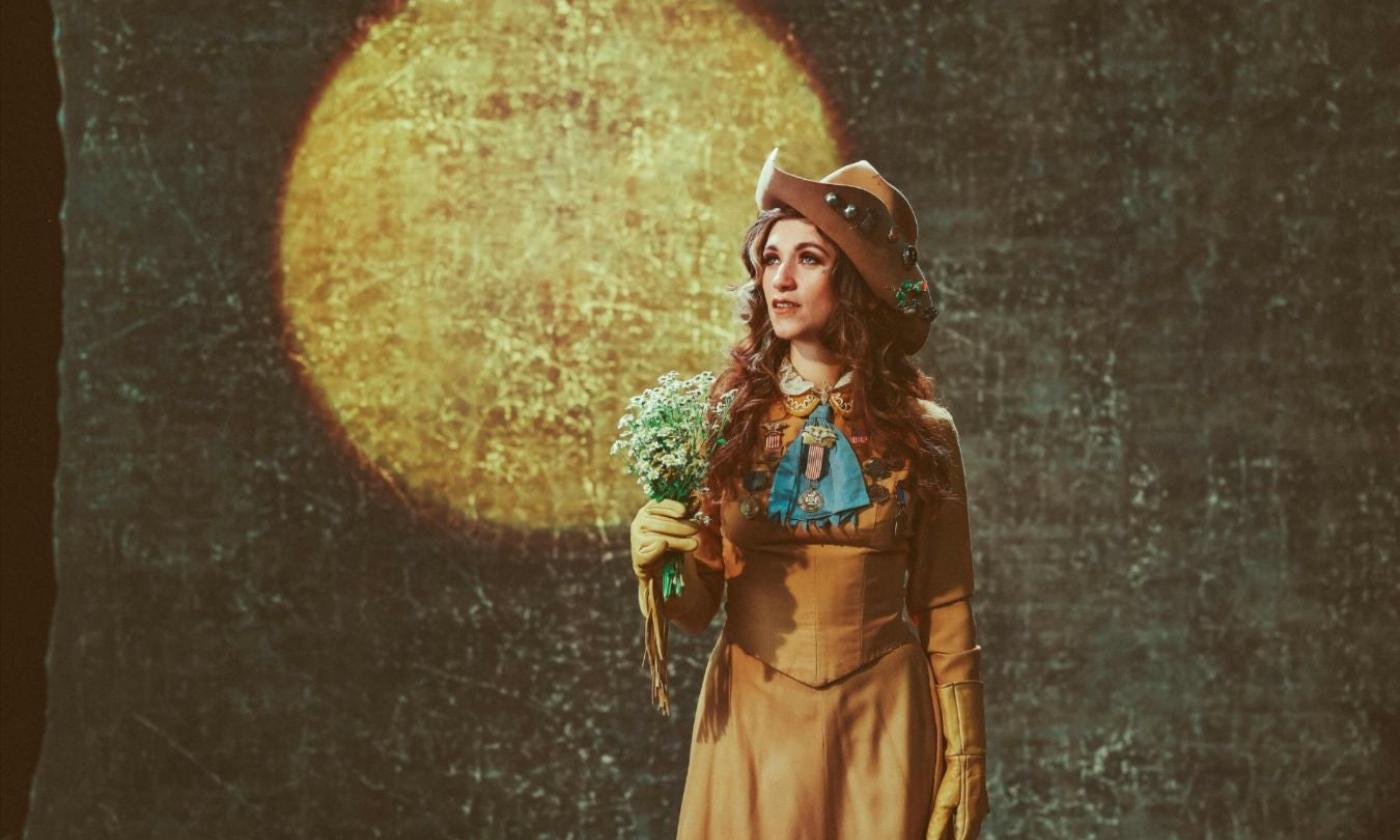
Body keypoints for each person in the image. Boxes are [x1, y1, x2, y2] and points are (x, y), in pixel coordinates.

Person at [629, 148, 989, 839]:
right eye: (770, 259)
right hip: (752, 717)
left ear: (852, 281)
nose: (781, 280)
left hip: (885, 719)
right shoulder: (720, 420)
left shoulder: (927, 433)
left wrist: (967, 755)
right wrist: (660, 563)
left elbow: (946, 605)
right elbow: (698, 605)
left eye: (809, 260)